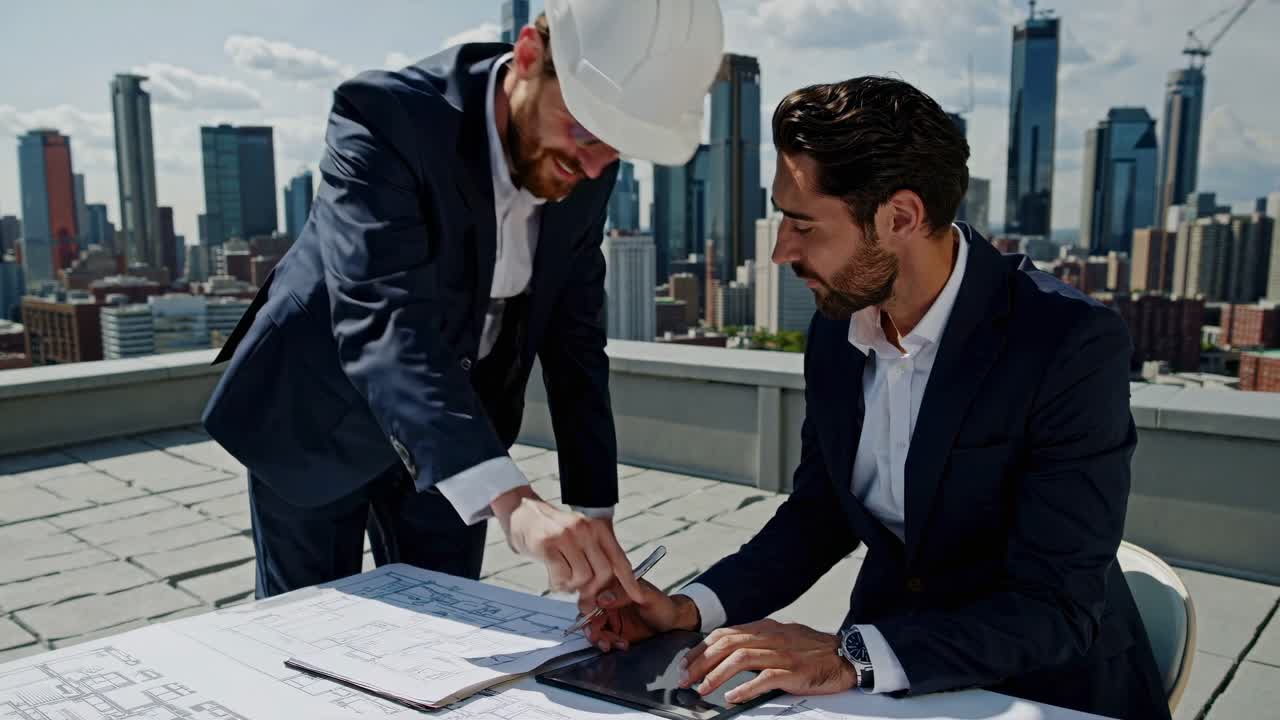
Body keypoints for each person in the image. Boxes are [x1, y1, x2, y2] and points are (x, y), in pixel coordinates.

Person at [581, 76, 1171, 720]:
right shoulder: (838, 327)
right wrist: (687, 608)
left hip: (1045, 691)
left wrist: (851, 656)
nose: (780, 251)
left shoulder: (1067, 342)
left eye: (804, 225)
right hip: (882, 683)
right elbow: (819, 515)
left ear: (901, 218)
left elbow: (1054, 608)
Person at [201, 0, 724, 600]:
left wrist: (594, 517)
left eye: (617, 148)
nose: (592, 165)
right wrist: (512, 499)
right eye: (585, 130)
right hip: (317, 410)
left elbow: (574, 338)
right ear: (527, 56)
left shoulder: (588, 164)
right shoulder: (385, 116)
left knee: (447, 627)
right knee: (301, 635)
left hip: (461, 424)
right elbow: (382, 317)